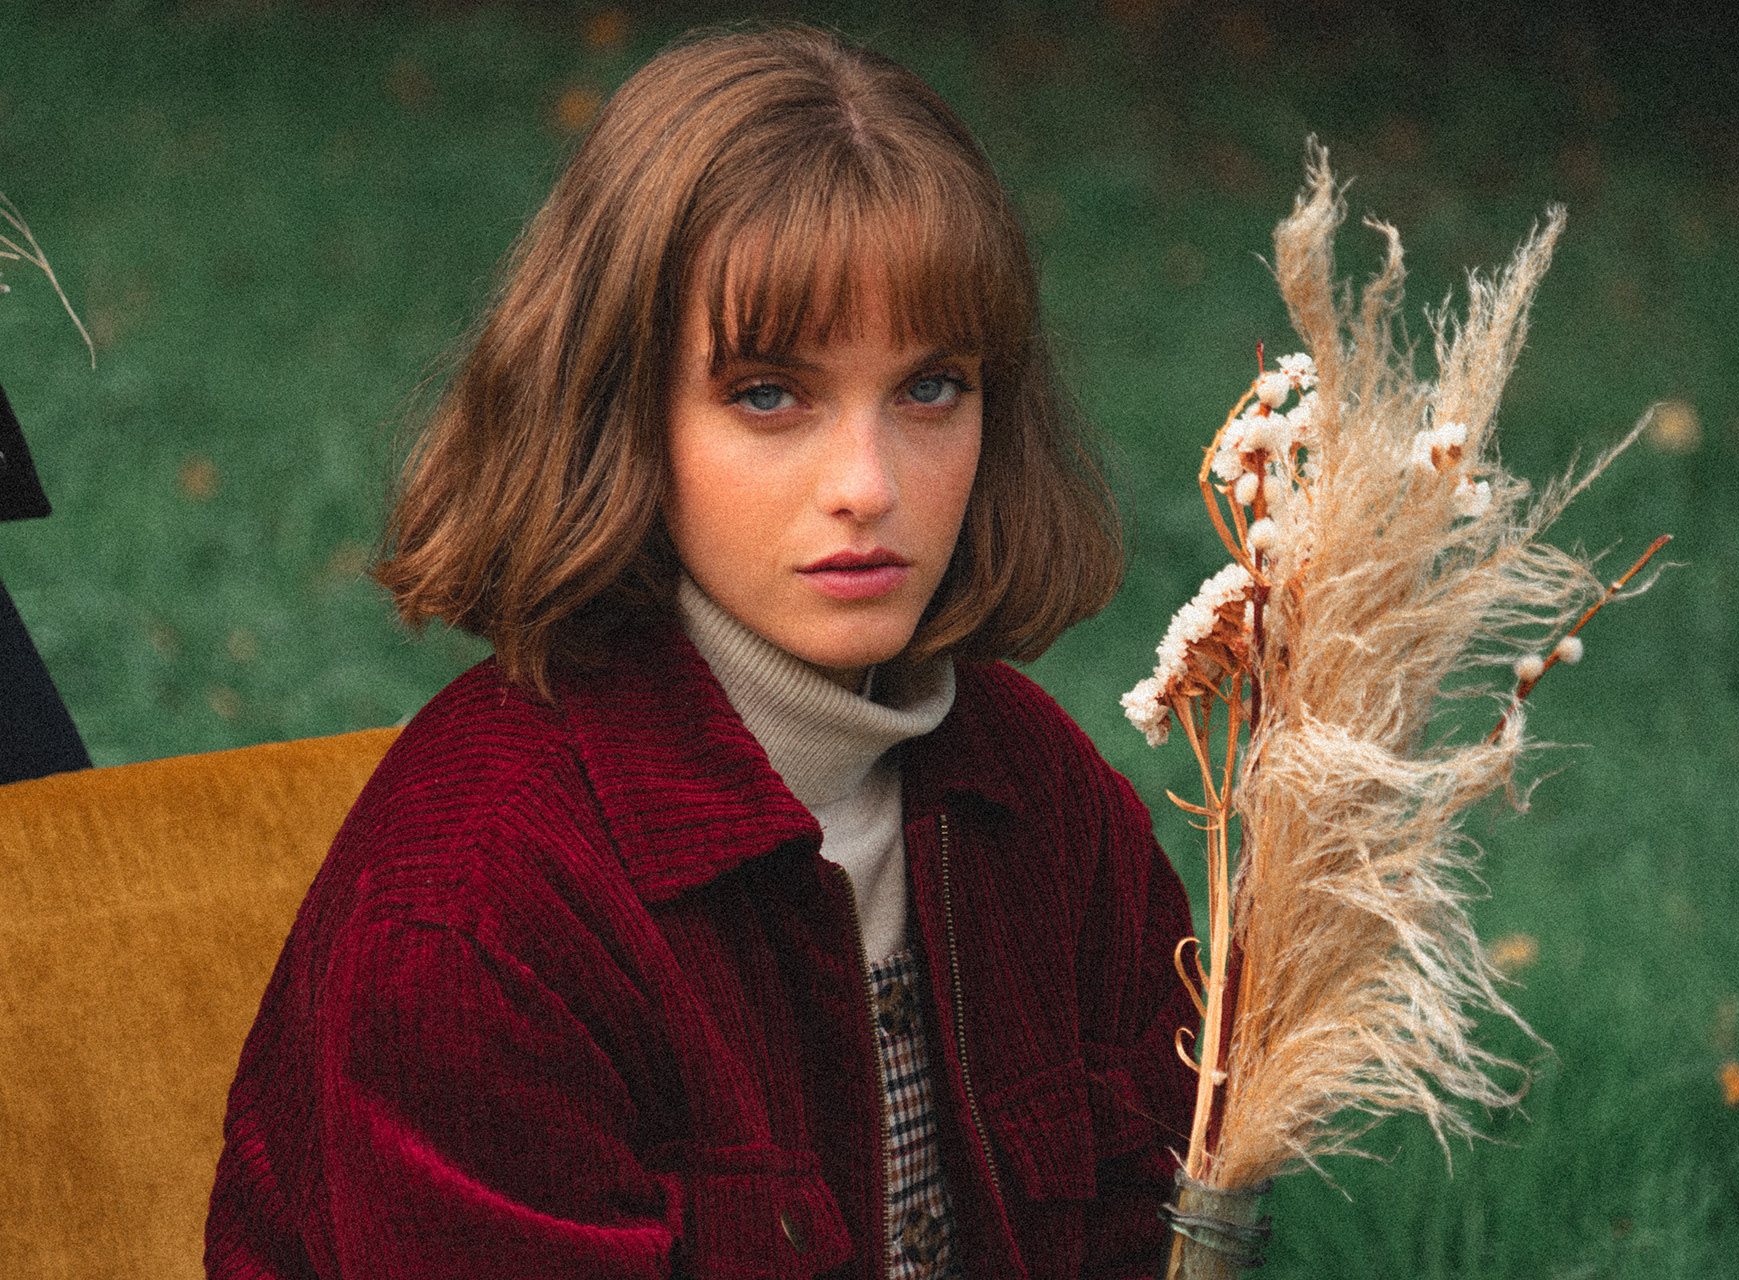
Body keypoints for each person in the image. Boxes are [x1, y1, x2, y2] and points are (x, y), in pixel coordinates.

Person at [207, 25, 1195, 1280]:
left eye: (930, 386)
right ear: (620, 412)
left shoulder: (1031, 790)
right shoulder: (479, 909)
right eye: (770, 394)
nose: (868, 484)